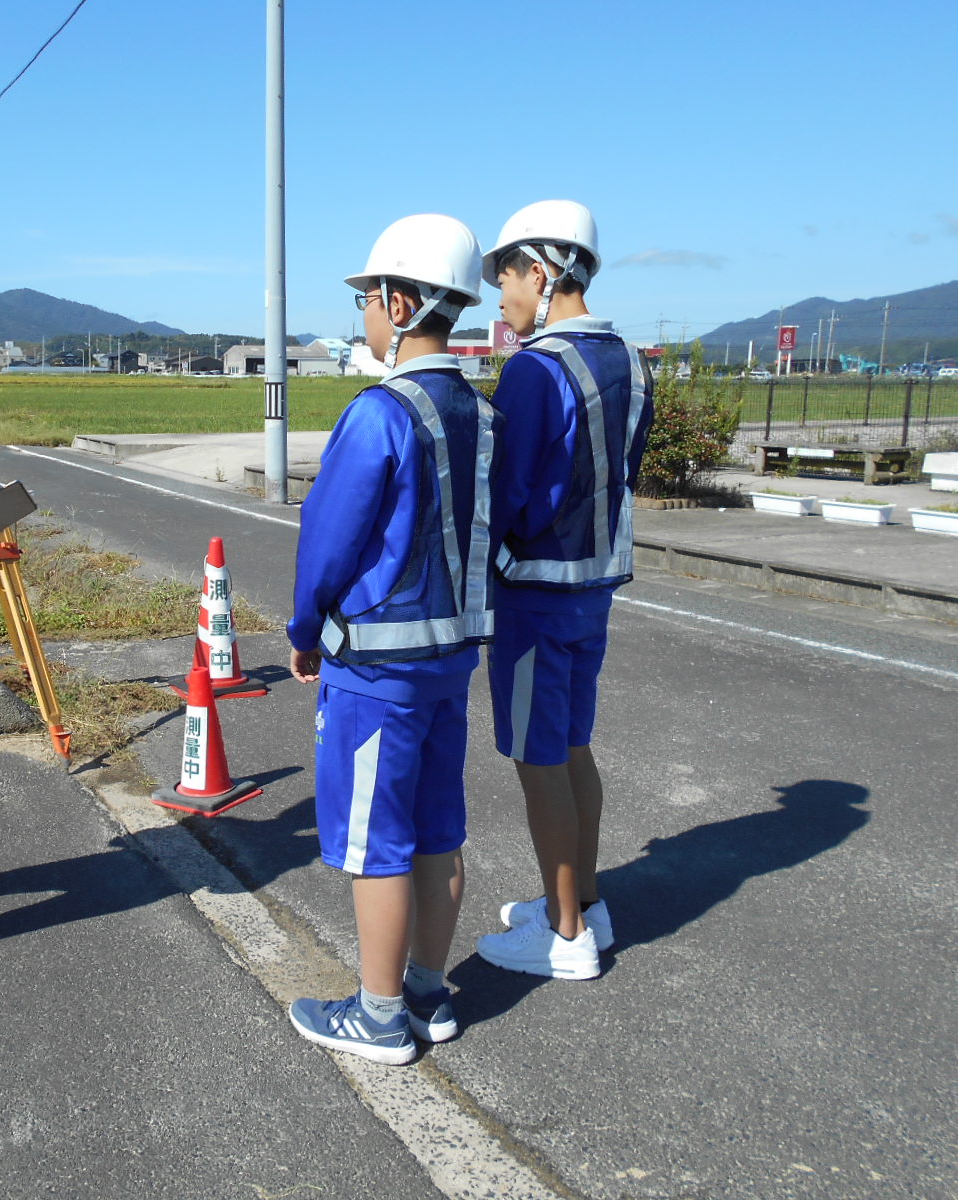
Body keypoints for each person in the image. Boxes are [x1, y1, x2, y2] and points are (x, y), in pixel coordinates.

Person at [286, 214, 500, 1063]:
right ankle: (425, 993)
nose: (363, 317)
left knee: (375, 839)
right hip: (453, 659)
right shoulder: (480, 415)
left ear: (402, 303)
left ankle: (377, 1018)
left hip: (378, 664)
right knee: (439, 825)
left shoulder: (379, 414)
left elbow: (328, 541)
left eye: (369, 300)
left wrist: (306, 632)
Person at [474, 200, 654, 981]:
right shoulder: (633, 360)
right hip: (597, 586)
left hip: (535, 595)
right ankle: (581, 899)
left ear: (542, 272)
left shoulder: (537, 370)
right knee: (574, 745)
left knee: (536, 758)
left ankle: (567, 933)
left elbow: (505, 494)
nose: (503, 300)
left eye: (507, 278)